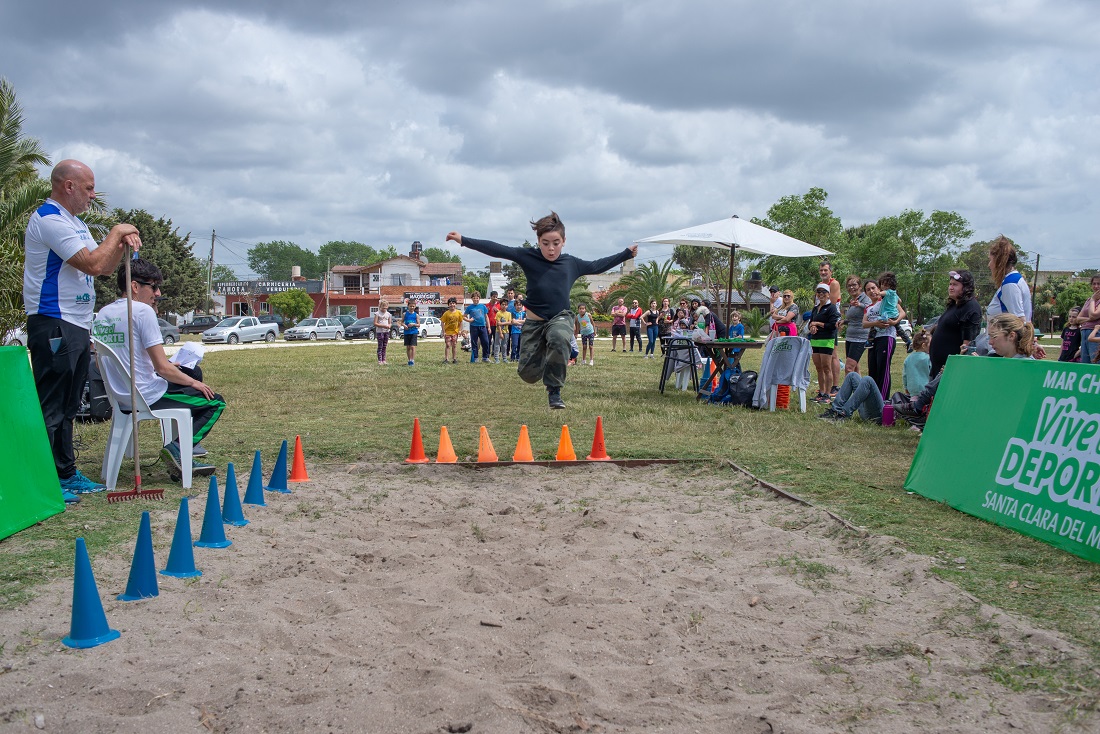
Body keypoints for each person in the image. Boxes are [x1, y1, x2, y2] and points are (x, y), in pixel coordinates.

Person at [23, 159, 142, 501]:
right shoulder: (48, 219)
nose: (93, 194)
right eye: (88, 188)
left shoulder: (75, 223)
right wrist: (118, 230)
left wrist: (120, 244)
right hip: (53, 319)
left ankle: (65, 473)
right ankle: (42, 481)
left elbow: (102, 267)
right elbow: (89, 262)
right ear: (68, 186)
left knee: (71, 403)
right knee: (53, 404)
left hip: (76, 322)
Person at [446, 212, 637, 408]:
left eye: (556, 243)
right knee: (527, 374)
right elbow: (498, 249)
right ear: (538, 241)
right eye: (545, 243)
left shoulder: (571, 263)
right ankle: (547, 353)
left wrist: (626, 254)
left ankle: (554, 391)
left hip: (560, 318)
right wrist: (464, 240)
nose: (551, 249)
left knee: (559, 337)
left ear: (564, 241)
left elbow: (598, 265)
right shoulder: (528, 256)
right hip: (534, 323)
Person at [94, 258, 222, 480]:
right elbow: (162, 369)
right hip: (147, 395)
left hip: (121, 395)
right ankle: (178, 449)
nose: (158, 293)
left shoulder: (103, 313)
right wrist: (194, 383)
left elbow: (105, 360)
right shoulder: (142, 312)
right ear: (135, 286)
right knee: (215, 401)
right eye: (153, 286)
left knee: (191, 373)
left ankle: (182, 448)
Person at [928, 269, 982, 377]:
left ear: (966, 287)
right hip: (938, 368)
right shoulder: (954, 305)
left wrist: (957, 365)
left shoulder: (971, 307)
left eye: (955, 285)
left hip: (952, 371)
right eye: (950, 284)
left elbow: (968, 344)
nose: (951, 287)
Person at [862, 278, 906, 400]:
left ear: (879, 289)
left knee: (883, 369)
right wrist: (876, 323)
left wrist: (895, 321)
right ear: (865, 293)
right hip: (873, 340)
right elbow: (864, 323)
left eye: (873, 288)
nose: (871, 291)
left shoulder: (886, 299)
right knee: (873, 369)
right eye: (868, 290)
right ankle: (873, 399)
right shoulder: (868, 307)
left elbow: (902, 312)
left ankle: (883, 401)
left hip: (886, 337)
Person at [807, 284, 841, 403]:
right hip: (815, 339)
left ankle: (827, 394)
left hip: (827, 340)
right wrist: (812, 327)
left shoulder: (831, 308)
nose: (821, 294)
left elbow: (832, 325)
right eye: (818, 292)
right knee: (819, 367)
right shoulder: (815, 308)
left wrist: (817, 324)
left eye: (824, 292)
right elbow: (810, 322)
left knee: (827, 368)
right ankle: (821, 392)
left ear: (828, 294)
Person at [839, 275, 872, 376]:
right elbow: (854, 318)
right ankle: (859, 391)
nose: (851, 288)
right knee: (855, 367)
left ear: (860, 286)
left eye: (854, 285)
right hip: (850, 337)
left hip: (860, 337)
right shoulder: (853, 300)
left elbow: (871, 308)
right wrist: (844, 321)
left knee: (848, 368)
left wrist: (860, 305)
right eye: (849, 286)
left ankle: (846, 391)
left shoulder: (865, 298)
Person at [1076, 274, 1100, 364]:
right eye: (1094, 284)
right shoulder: (1088, 300)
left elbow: (1094, 314)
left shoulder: (1092, 300)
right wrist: (1089, 319)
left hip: (1095, 333)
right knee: (1085, 363)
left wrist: (1093, 300)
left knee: (1095, 361)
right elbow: (1077, 319)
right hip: (1084, 332)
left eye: (1099, 284)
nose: (1096, 286)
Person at [463, 291, 490, 363]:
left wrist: (489, 327)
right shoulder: (469, 307)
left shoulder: (483, 306)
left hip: (482, 326)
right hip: (474, 327)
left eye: (477, 298)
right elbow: (464, 317)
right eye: (474, 298)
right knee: (474, 343)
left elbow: (486, 317)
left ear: (479, 298)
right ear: (472, 299)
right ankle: (475, 358)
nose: (475, 299)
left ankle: (485, 357)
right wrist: (469, 320)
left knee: (486, 342)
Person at [903, 330, 932, 395]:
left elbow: (905, 375)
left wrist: (906, 388)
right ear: (924, 345)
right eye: (931, 343)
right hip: (927, 391)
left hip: (912, 391)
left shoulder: (908, 359)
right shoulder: (928, 358)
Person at [441, 297, 464, 364]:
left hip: (455, 332)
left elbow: (461, 322)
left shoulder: (458, 313)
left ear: (456, 304)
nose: (452, 305)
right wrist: (444, 331)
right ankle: (446, 359)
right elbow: (442, 322)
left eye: (453, 303)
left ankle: (454, 359)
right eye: (450, 303)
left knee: (454, 345)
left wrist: (460, 330)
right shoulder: (446, 313)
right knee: (448, 345)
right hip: (448, 332)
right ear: (448, 305)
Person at [374, 299, 392, 365]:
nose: (384, 309)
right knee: (380, 346)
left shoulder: (388, 314)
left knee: (385, 346)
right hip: (380, 332)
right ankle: (379, 360)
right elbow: (375, 323)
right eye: (383, 308)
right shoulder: (377, 314)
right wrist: (383, 326)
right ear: (380, 306)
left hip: (386, 332)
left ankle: (384, 360)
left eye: (385, 308)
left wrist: (389, 326)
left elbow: (390, 323)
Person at [486, 291, 502, 362]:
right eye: (494, 297)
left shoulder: (499, 305)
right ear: (491, 297)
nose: (495, 298)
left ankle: (495, 353)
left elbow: (502, 314)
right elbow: (484, 315)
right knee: (488, 340)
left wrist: (498, 311)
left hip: (496, 325)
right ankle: (487, 353)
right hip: (489, 325)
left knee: (496, 340)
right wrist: (487, 311)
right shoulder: (487, 305)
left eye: (496, 297)